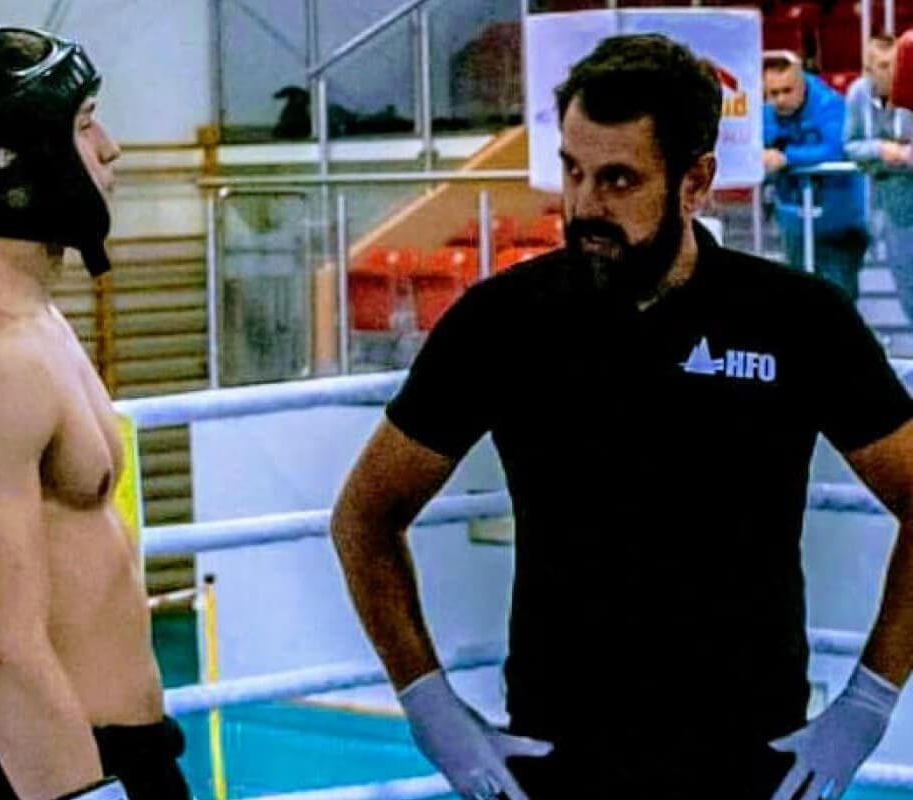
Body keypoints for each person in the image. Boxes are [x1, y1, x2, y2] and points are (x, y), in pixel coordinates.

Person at [330, 33, 913, 800]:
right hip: (559, 758)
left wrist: (868, 705)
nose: (584, 207)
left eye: (618, 180)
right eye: (572, 171)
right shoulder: (504, 322)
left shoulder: (795, 319)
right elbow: (364, 516)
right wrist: (429, 707)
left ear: (695, 181)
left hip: (751, 759)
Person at [0, 26, 191, 800]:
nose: (110, 149)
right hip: (49, 772)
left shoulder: (21, 311)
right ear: (17, 159)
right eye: (84, 125)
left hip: (109, 758)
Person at [763, 50, 871, 302]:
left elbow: (838, 148)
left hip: (840, 222)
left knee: (838, 300)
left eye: (787, 91)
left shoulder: (830, 105)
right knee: (799, 298)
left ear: (803, 84)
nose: (780, 100)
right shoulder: (765, 111)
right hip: (795, 220)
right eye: (773, 93)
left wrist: (787, 157)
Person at [845, 34, 913, 332]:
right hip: (885, 204)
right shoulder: (858, 94)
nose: (889, 72)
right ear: (867, 69)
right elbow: (850, 146)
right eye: (881, 66)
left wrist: (905, 155)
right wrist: (880, 150)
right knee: (906, 287)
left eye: (894, 64)